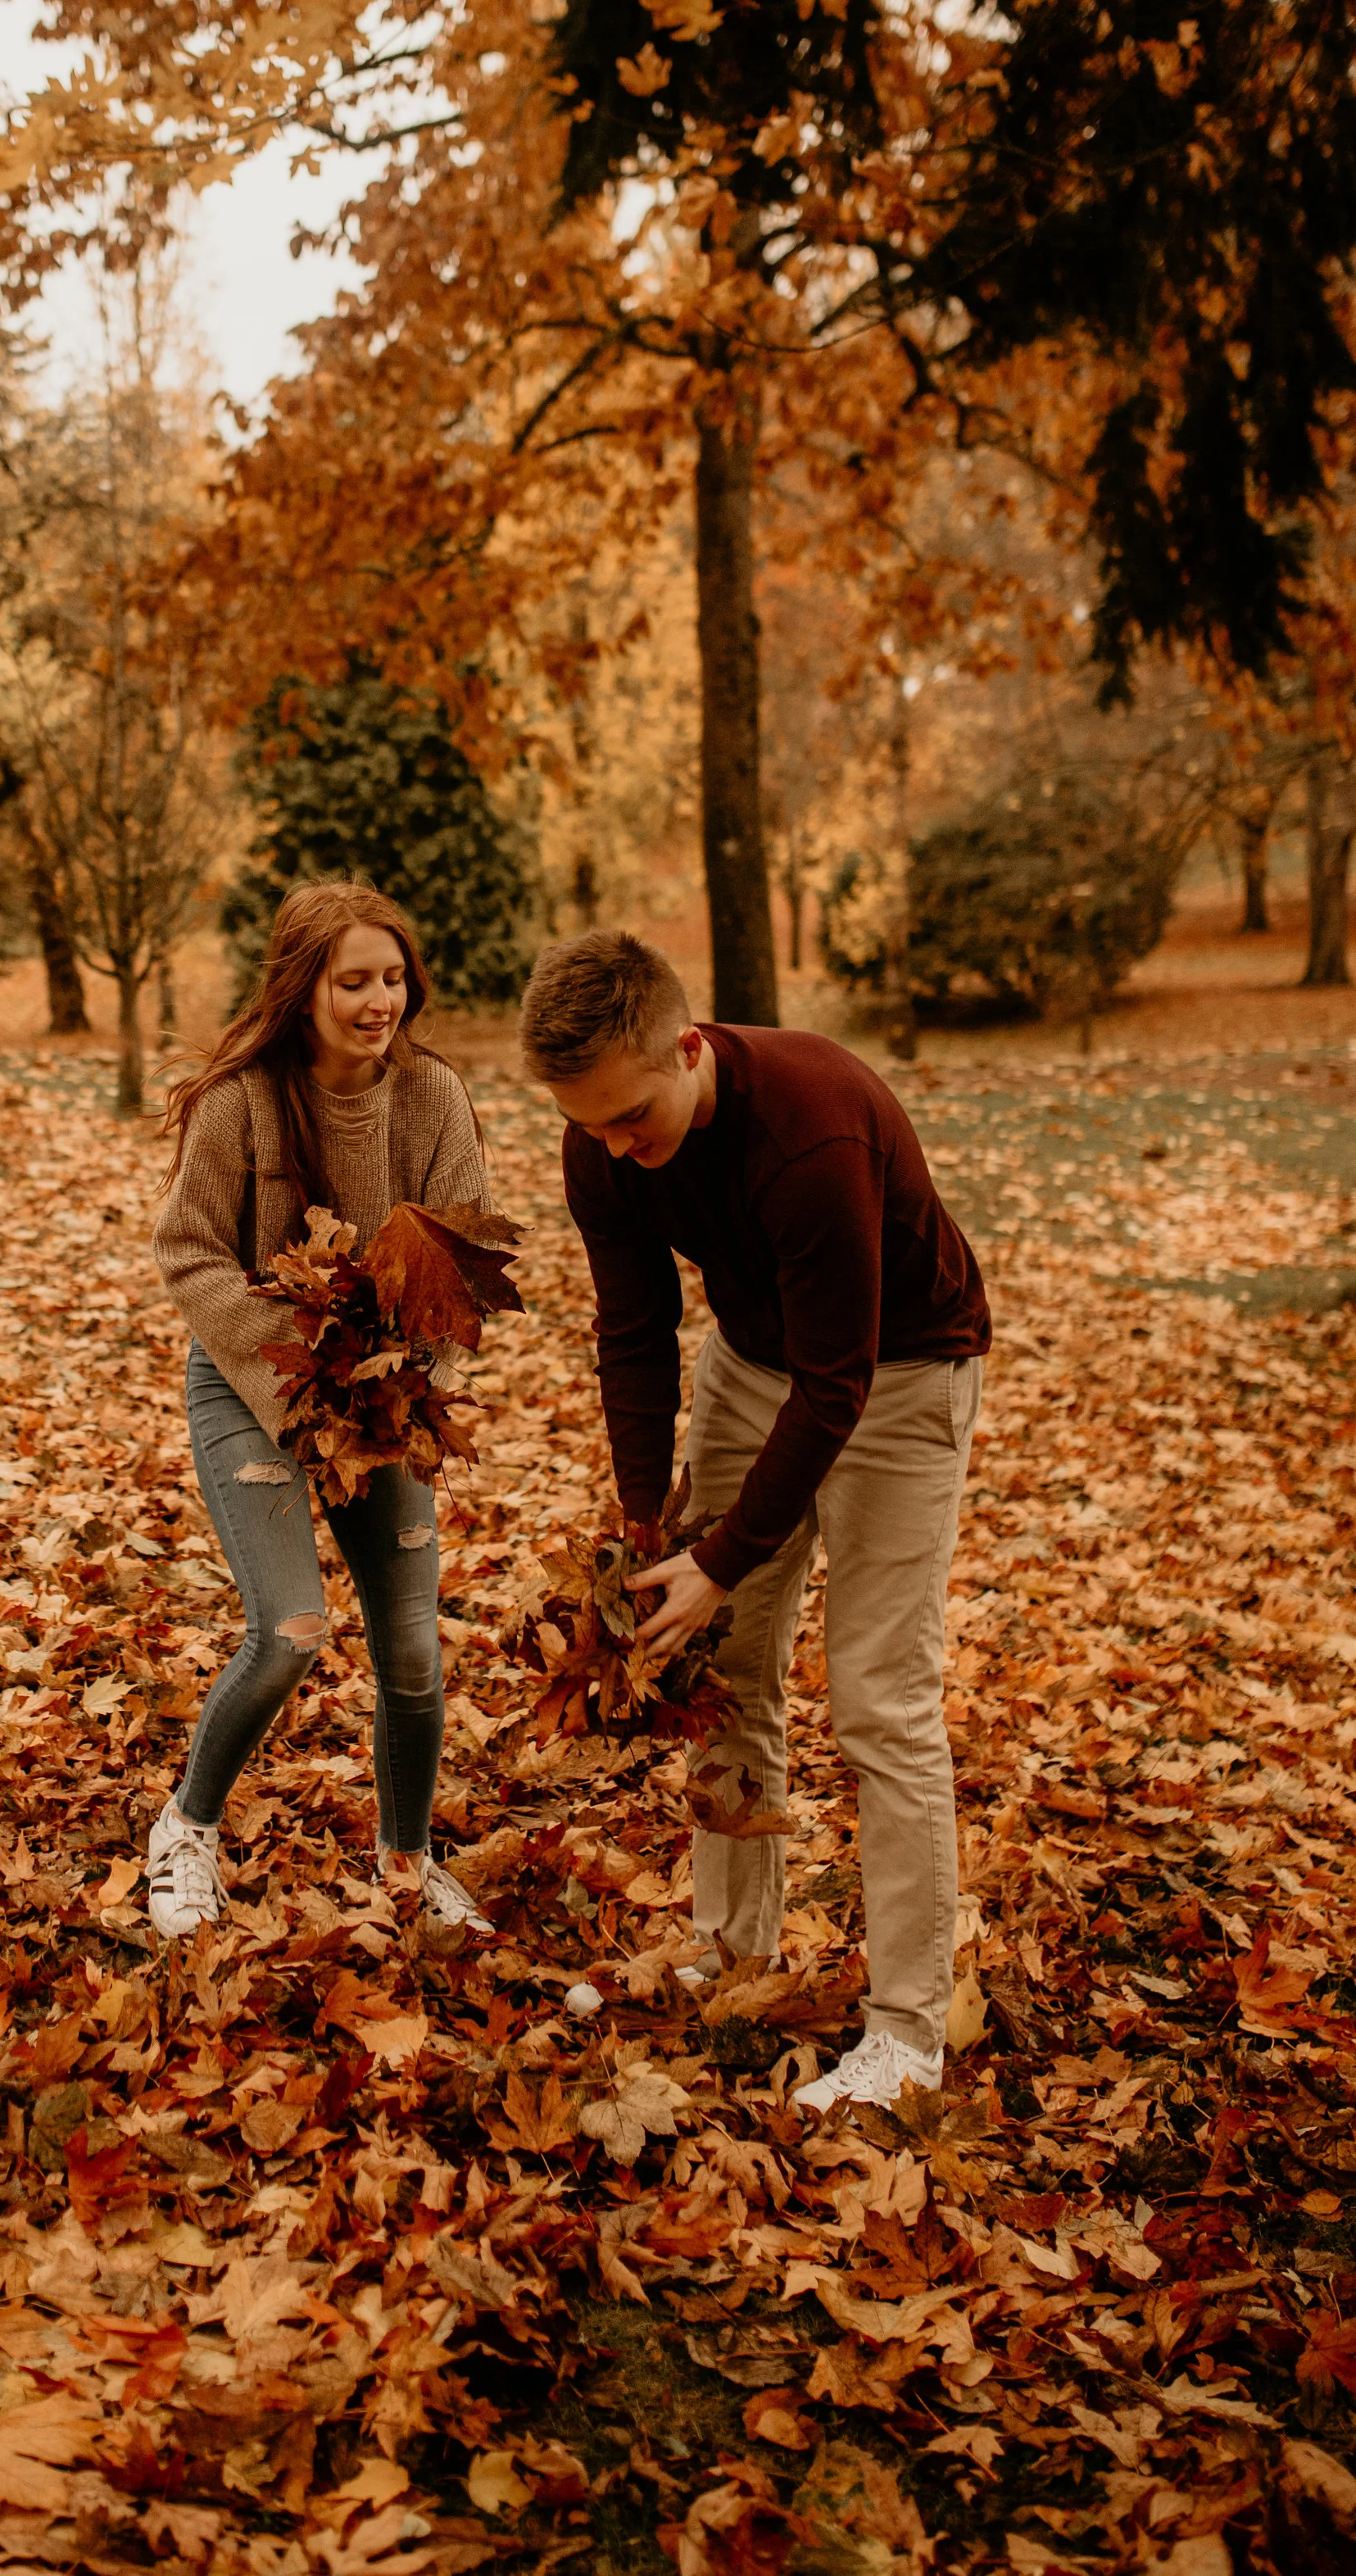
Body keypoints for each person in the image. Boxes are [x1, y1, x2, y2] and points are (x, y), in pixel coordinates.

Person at [519, 931, 991, 2113]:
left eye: (633, 1117)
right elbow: (633, 1331)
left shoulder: (811, 1133)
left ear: (687, 1048)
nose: (619, 1147)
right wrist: (650, 1526)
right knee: (725, 1662)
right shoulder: (603, 1144)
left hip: (899, 1372)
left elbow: (839, 1381)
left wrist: (725, 1557)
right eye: (591, 1127)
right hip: (751, 1362)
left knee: (881, 1694)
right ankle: (733, 1950)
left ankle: (905, 2032)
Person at [147, 881, 497, 1940]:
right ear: (306, 991)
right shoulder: (242, 1100)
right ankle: (187, 1827)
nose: (378, 999)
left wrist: (400, 1375)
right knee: (293, 1630)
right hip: (254, 1383)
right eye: (354, 980)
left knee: (411, 1651)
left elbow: (461, 1257)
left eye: (392, 978)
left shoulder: (432, 1095)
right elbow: (189, 1251)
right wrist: (290, 1365)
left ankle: (407, 1861)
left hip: (386, 1396)